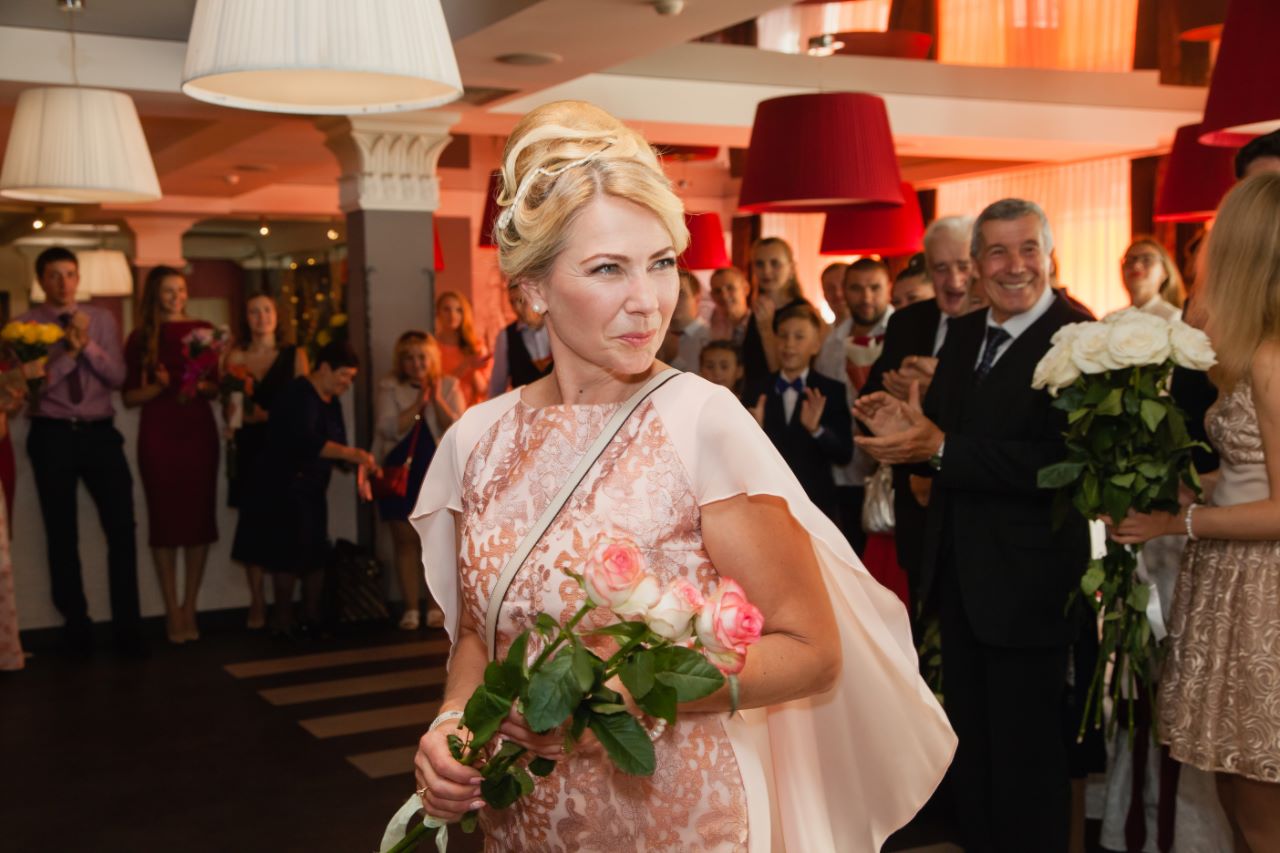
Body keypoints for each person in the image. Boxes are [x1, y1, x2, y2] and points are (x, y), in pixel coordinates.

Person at [410, 99, 954, 851]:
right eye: (608, 268)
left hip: (683, 814)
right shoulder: (477, 440)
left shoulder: (701, 421)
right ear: (532, 287)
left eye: (662, 262)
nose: (648, 300)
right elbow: (479, 631)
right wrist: (452, 720)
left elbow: (811, 650)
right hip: (529, 816)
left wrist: (629, 691)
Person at [855, 198, 1093, 852]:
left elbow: (1065, 465)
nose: (1015, 266)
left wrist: (939, 447)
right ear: (977, 264)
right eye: (998, 252)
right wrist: (906, 432)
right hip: (958, 580)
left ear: (1050, 257)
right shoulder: (963, 334)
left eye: (1028, 249)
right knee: (973, 762)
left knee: (1027, 765)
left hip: (1032, 586)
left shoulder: (1079, 340)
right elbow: (943, 440)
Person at [1110, 172, 1280, 853]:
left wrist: (1175, 524)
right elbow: (1250, 470)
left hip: (1264, 591)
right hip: (1235, 578)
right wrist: (1195, 488)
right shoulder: (1254, 349)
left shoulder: (1270, 360)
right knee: (1236, 790)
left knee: (1260, 806)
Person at [20, 247, 145, 658]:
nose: (64, 283)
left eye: (70, 274)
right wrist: (69, 355)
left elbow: (118, 376)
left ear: (78, 278)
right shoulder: (25, 327)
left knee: (122, 527)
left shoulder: (102, 319)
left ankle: (129, 628)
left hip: (99, 433)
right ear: (42, 280)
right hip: (52, 433)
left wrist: (87, 345)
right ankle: (76, 626)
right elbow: (32, 390)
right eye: (54, 275)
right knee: (61, 532)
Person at [860, 216, 976, 612]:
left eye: (963, 266)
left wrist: (937, 387)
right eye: (941, 268)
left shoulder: (998, 325)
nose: (954, 280)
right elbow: (871, 398)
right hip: (914, 511)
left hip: (974, 511)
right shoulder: (909, 321)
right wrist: (887, 411)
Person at [242, 341, 379, 637]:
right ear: (324, 368)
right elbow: (305, 441)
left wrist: (357, 463)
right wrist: (351, 454)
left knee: (315, 551)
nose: (347, 383)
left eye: (351, 378)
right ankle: (283, 620)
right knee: (287, 553)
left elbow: (337, 442)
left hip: (314, 488)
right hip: (284, 486)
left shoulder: (332, 401)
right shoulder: (297, 394)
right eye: (344, 375)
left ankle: (311, 617)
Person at [123, 266, 221, 644]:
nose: (176, 296)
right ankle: (171, 609)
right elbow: (129, 397)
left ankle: (190, 605)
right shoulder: (141, 337)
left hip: (198, 430)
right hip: (158, 431)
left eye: (180, 289)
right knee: (163, 521)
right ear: (154, 295)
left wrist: (198, 386)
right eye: (168, 290)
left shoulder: (204, 331)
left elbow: (216, 388)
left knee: (199, 519)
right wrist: (158, 388)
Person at [225, 292, 310, 629]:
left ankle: (284, 604)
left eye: (266, 310)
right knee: (252, 524)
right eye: (253, 311)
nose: (261, 317)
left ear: (277, 315)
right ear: (245, 318)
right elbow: (231, 407)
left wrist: (272, 418)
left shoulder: (294, 355)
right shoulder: (236, 356)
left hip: (283, 447)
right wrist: (242, 419)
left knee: (283, 522)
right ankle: (257, 600)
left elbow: (303, 405)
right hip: (250, 446)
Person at [374, 331, 463, 631]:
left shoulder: (449, 385)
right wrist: (417, 406)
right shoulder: (389, 387)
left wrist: (435, 399)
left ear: (432, 358)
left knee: (437, 542)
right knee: (405, 541)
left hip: (436, 472)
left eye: (422, 357)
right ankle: (411, 608)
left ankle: (436, 607)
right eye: (409, 358)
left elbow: (460, 428)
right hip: (401, 473)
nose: (416, 364)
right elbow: (386, 428)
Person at [746, 300, 854, 524]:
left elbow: (844, 454)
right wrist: (753, 432)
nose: (789, 344)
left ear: (815, 345)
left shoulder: (831, 390)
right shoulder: (757, 390)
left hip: (817, 505)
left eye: (799, 337)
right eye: (783, 336)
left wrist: (817, 430)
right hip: (768, 503)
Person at [814, 257, 894, 553]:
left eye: (875, 287)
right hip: (843, 467)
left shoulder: (902, 332)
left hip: (890, 467)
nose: (866, 297)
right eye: (857, 288)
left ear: (888, 288)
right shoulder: (832, 340)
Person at [742, 237, 806, 390]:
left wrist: (766, 329)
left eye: (775, 263)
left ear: (791, 268)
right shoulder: (758, 308)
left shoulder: (802, 312)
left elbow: (786, 373)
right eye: (759, 264)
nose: (766, 271)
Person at [488, 282, 553, 398]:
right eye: (512, 302)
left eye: (521, 301)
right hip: (525, 407)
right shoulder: (506, 336)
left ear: (536, 297)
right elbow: (497, 388)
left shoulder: (556, 326)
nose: (516, 308)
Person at [435, 291, 490, 406]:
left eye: (458, 310)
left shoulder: (476, 345)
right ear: (438, 312)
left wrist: (473, 369)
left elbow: (483, 390)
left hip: (472, 410)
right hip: (444, 410)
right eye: (446, 309)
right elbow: (437, 388)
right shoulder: (432, 347)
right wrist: (466, 365)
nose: (452, 315)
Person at [1121, 237, 1184, 321]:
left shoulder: (1173, 317)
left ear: (1165, 272)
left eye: (1147, 260)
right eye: (1130, 260)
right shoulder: (1113, 319)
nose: (1136, 266)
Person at [659, 268, 710, 372]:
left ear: (697, 299)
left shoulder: (710, 337)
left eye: (681, 294)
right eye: (669, 293)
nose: (674, 300)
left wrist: (673, 359)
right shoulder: (656, 336)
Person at [707, 265, 751, 345]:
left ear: (746, 289)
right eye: (717, 291)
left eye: (730, 288)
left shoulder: (761, 325)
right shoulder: (709, 329)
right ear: (712, 296)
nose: (724, 296)